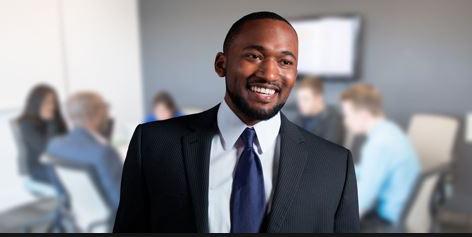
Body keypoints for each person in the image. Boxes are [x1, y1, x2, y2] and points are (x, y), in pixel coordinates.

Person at [114, 11, 359, 233]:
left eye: (285, 62)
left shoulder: (336, 166)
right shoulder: (153, 144)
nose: (270, 74)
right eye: (254, 55)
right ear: (221, 64)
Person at [340, 84, 420, 232]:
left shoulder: (379, 145)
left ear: (363, 114)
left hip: (387, 220)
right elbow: (368, 170)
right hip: (403, 209)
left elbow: (362, 202)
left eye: (347, 115)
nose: (345, 121)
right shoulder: (390, 131)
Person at [46, 92, 123, 215]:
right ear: (96, 115)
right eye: (105, 108)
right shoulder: (104, 153)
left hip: (80, 218)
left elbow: (61, 192)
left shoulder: (54, 146)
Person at [16, 84, 68, 196]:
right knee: (71, 179)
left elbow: (67, 141)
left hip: (59, 164)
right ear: (36, 103)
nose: (51, 106)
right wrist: (50, 122)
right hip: (39, 168)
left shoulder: (56, 119)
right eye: (47, 102)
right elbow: (48, 149)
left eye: (53, 102)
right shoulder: (26, 124)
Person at [295, 77, 345, 145]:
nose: (300, 103)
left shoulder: (334, 120)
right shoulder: (299, 118)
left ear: (319, 98)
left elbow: (328, 151)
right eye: (299, 99)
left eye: (305, 99)